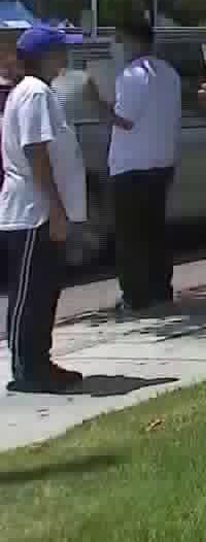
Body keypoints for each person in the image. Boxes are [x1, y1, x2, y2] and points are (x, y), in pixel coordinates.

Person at [1, 25, 89, 393]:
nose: (65, 57)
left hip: (39, 209)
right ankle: (28, 368)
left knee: (44, 290)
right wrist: (54, 208)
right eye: (60, 50)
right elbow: (36, 153)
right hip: (32, 211)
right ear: (46, 55)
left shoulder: (38, 92)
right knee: (30, 293)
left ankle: (39, 361)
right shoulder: (35, 93)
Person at [91, 18, 182, 314]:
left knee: (130, 235)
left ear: (133, 40)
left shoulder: (131, 76)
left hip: (132, 167)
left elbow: (123, 120)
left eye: (119, 39)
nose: (116, 47)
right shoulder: (169, 73)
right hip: (162, 162)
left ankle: (135, 295)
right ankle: (160, 289)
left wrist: (94, 102)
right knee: (154, 231)